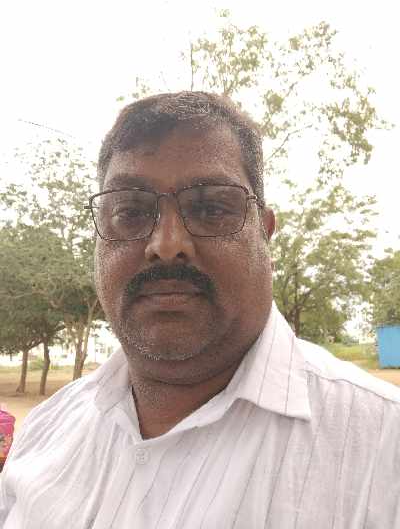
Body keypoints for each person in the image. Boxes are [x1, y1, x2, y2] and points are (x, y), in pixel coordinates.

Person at [1, 92, 399, 528]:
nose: (166, 245)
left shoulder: (384, 446)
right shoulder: (45, 430)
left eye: (210, 209)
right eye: (130, 211)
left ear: (264, 233)